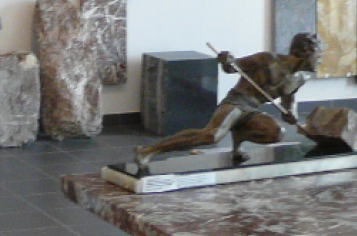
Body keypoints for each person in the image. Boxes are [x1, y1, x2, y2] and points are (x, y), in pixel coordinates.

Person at [134, 33, 322, 166]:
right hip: (237, 102)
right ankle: (150, 150)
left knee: (276, 133)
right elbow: (233, 67)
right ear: (305, 53)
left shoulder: (300, 78)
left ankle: (239, 136)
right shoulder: (268, 60)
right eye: (318, 55)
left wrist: (291, 113)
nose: (320, 60)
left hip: (253, 110)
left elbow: (289, 99)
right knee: (211, 135)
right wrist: (227, 60)